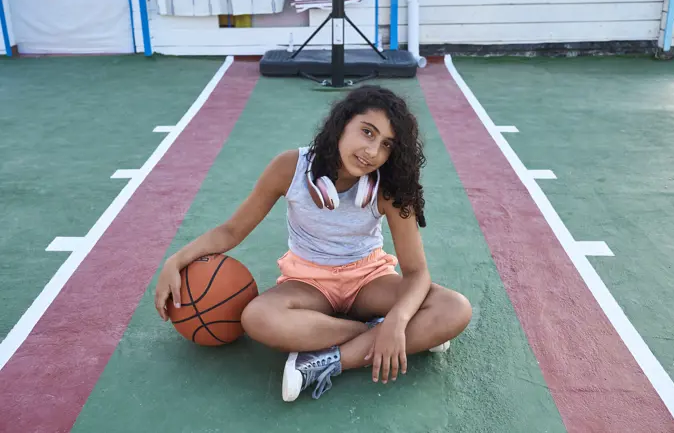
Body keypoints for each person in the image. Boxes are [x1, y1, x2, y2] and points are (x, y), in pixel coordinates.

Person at [154, 85, 472, 402]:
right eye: (367, 132)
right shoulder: (289, 168)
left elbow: (416, 272)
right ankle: (376, 333)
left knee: (454, 308)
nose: (373, 151)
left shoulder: (388, 187)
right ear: (342, 123)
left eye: (387, 144)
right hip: (307, 281)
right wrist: (176, 260)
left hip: (369, 279)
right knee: (257, 318)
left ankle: (329, 362)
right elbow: (232, 231)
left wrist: (399, 318)